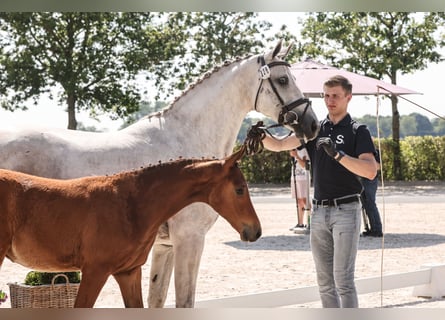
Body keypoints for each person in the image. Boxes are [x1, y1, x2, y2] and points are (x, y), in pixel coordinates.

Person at [250, 75, 378, 308]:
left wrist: (337, 154)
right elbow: (280, 145)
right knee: (324, 282)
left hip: (346, 210)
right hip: (318, 213)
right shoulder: (314, 128)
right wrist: (261, 137)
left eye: (336, 96)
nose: (330, 100)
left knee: (344, 281)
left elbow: (370, 171)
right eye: (326, 95)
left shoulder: (358, 130)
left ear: (348, 97)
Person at [360, 149, 383, 237]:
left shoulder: (374, 151)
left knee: (370, 204)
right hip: (361, 179)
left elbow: (378, 166)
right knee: (365, 205)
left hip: (370, 180)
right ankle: (369, 228)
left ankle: (377, 229)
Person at [289, 147, 311, 234]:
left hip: (304, 177)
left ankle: (310, 221)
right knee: (299, 201)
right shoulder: (295, 150)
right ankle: (300, 223)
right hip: (295, 177)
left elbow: (305, 165)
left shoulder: (305, 150)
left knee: (305, 200)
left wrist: (296, 156)